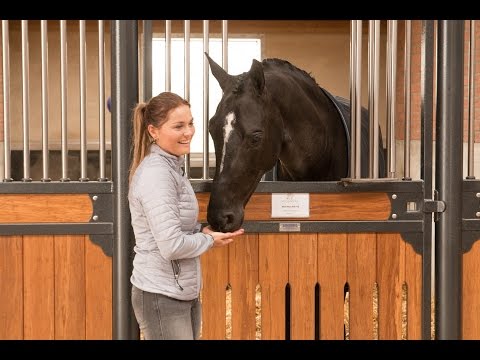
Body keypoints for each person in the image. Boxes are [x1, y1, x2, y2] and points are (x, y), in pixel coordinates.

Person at [128, 91, 244, 340]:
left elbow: (174, 231)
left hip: (178, 291)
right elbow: (171, 246)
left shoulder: (172, 168)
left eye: (190, 123)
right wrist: (209, 241)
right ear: (153, 131)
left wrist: (202, 234)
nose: (189, 132)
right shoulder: (157, 175)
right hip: (161, 294)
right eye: (178, 126)